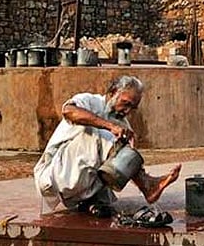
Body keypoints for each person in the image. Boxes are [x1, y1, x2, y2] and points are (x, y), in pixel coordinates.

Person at [33, 75, 181, 215]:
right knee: (101, 135)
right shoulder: (90, 101)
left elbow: (124, 165)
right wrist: (108, 126)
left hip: (84, 186)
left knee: (121, 151)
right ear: (113, 92)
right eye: (126, 103)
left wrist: (127, 151)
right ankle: (148, 186)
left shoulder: (122, 124)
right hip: (57, 173)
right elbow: (68, 111)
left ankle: (145, 186)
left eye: (132, 108)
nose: (127, 111)